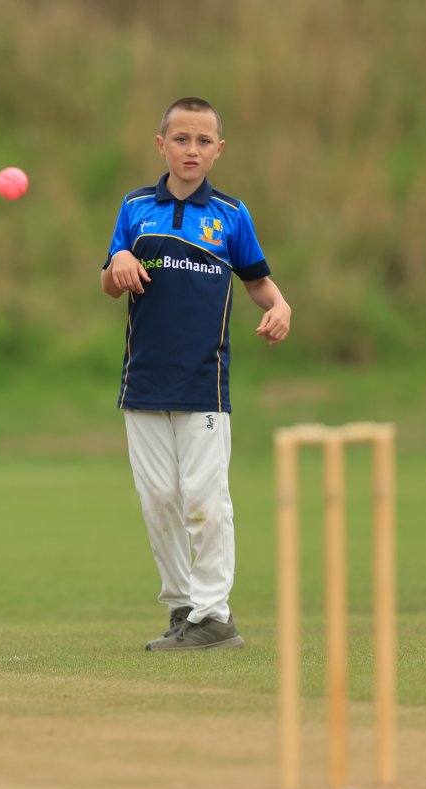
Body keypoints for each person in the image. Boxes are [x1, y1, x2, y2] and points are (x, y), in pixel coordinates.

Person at [100, 97, 291, 651]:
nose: (192, 150)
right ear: (162, 144)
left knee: (204, 499)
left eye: (203, 141)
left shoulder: (231, 215)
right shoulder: (136, 207)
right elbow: (112, 281)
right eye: (181, 139)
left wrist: (279, 307)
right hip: (143, 382)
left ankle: (215, 615)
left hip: (203, 383)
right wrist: (117, 264)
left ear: (218, 150)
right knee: (158, 499)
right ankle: (183, 607)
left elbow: (257, 280)